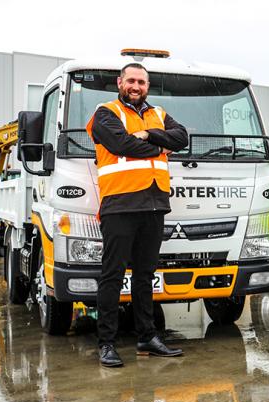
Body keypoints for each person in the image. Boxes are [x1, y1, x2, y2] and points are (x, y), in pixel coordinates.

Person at [86, 63, 189, 367]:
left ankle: (147, 336)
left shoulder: (157, 113)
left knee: (145, 275)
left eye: (141, 82)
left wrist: (150, 134)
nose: (136, 86)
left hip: (155, 203)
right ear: (120, 82)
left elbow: (182, 138)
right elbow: (120, 143)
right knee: (113, 276)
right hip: (120, 204)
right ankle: (106, 343)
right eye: (131, 80)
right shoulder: (105, 113)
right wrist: (158, 146)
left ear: (147, 85)